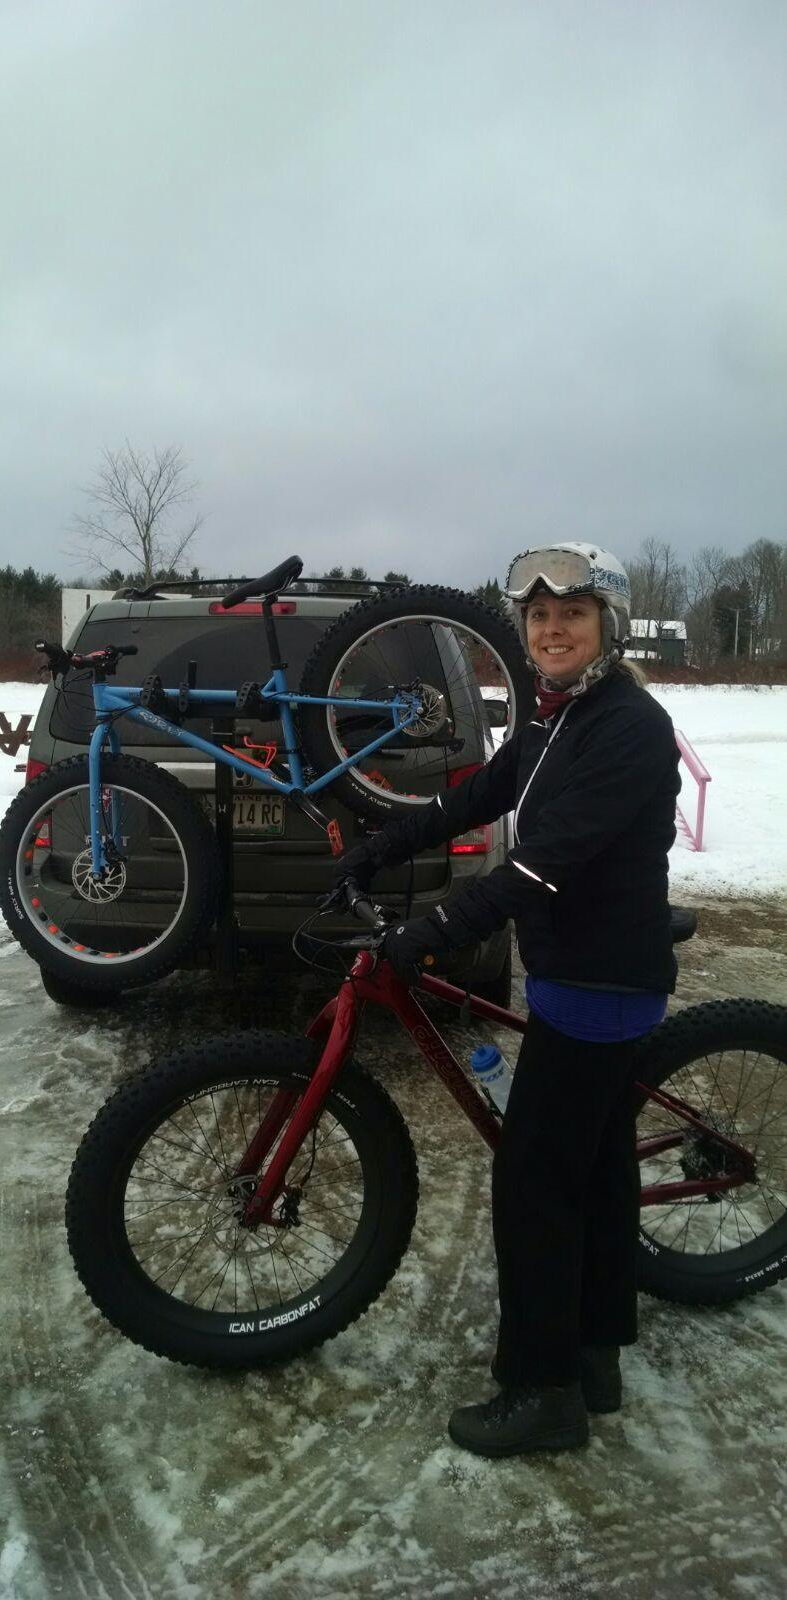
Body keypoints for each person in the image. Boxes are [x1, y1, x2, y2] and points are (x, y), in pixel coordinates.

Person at [335, 542, 681, 1459]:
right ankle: (596, 1355)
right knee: (597, 1171)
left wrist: (431, 931)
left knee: (534, 1184)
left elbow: (541, 866)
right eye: (537, 617)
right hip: (581, 977)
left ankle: (544, 1391)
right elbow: (477, 796)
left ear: (606, 624)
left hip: (603, 983)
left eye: (571, 614)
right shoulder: (553, 719)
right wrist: (381, 842)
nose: (552, 629)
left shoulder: (628, 727)